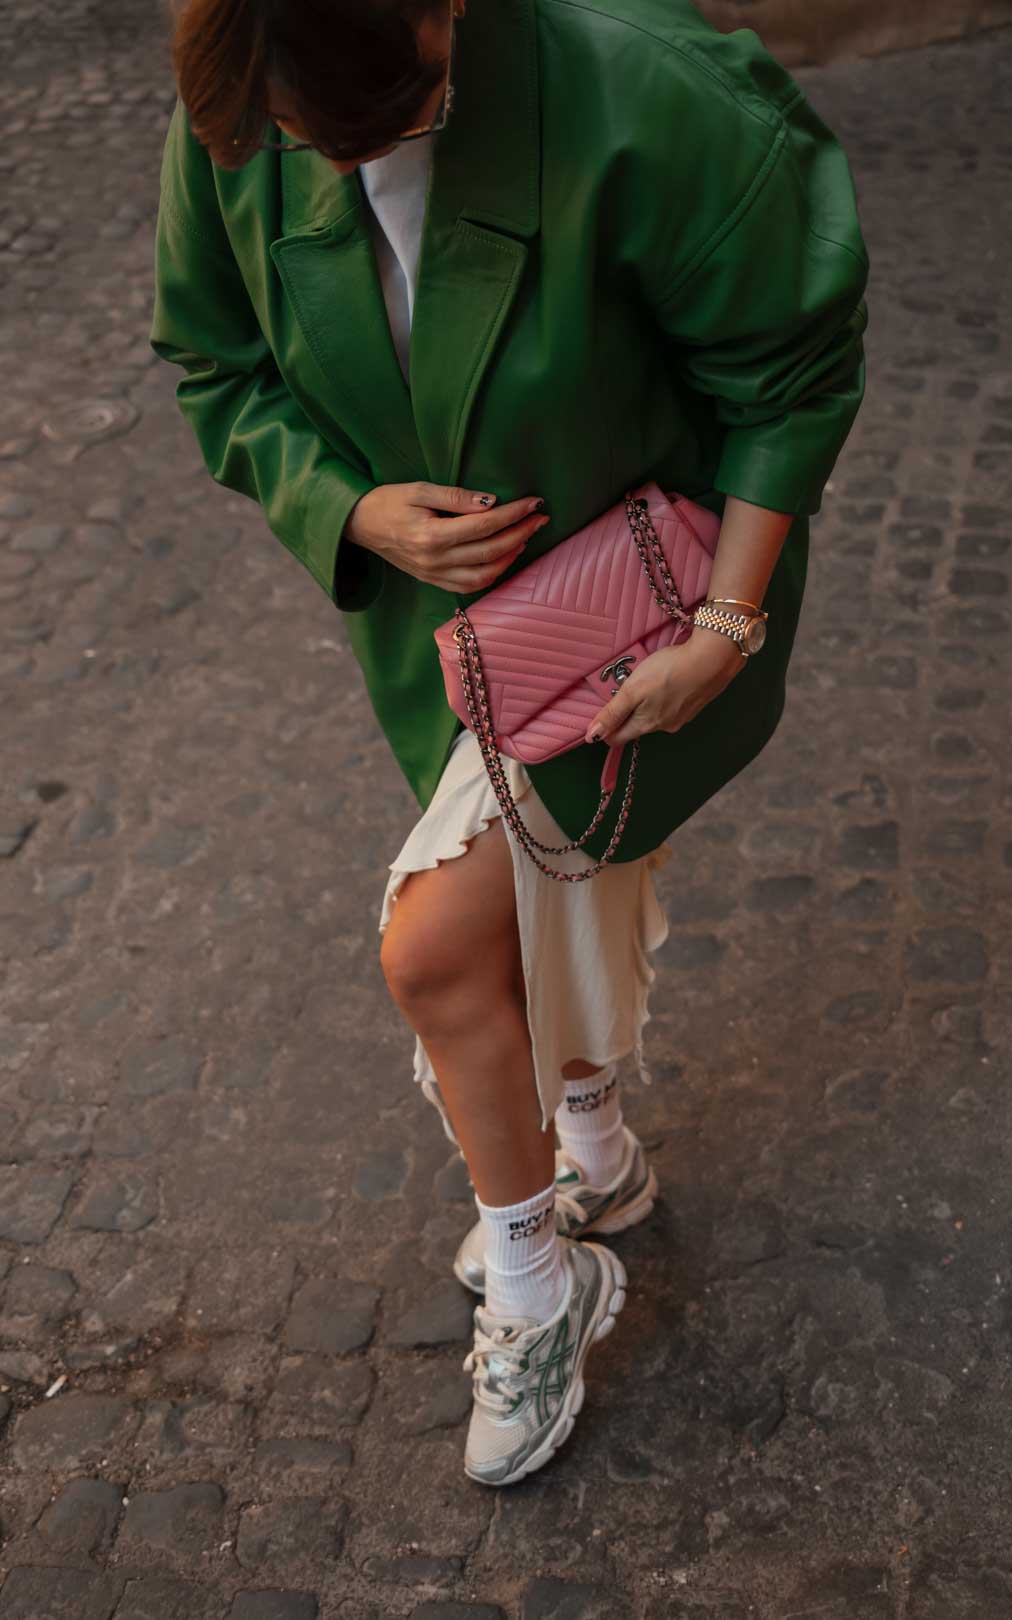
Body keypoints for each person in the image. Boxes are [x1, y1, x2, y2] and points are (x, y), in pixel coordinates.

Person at [151, 0, 869, 1487]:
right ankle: (595, 1140)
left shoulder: (646, 91)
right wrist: (343, 506)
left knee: (432, 950)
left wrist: (723, 633)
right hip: (443, 654)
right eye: (304, 146)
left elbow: (789, 373)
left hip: (645, 615)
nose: (336, 169)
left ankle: (543, 1274)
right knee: (545, 899)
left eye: (390, 123)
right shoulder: (244, 86)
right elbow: (218, 367)